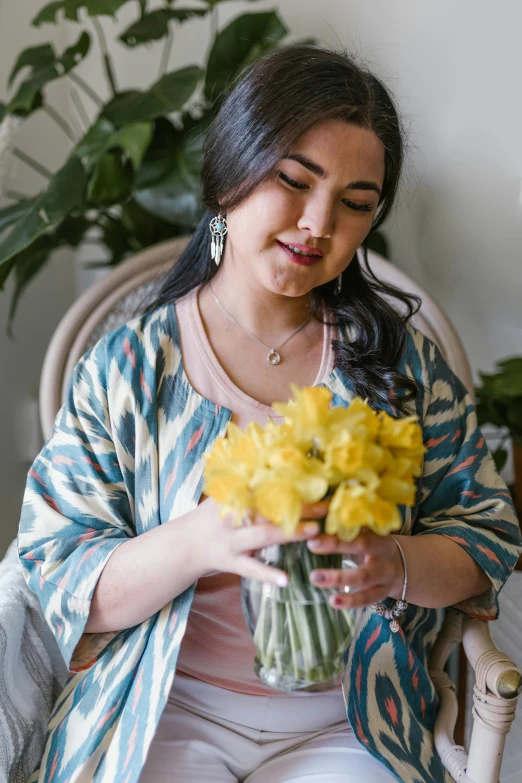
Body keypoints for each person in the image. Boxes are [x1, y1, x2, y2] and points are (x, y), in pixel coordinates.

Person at [18, 43, 521, 783]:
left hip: (352, 723)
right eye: (293, 180)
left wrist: (396, 566)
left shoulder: (398, 363)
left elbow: (485, 535)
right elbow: (58, 579)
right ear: (231, 175)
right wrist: (202, 537)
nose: (319, 223)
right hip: (165, 708)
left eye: (355, 203)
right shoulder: (130, 367)